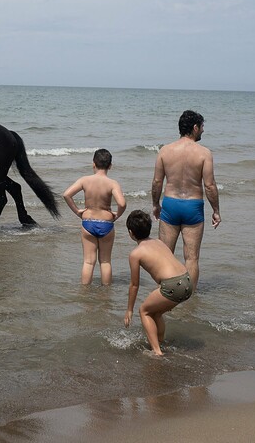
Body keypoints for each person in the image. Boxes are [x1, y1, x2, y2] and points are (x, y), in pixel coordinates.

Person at [151, 110, 221, 291]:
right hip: (193, 206)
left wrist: (155, 204)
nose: (203, 131)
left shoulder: (165, 151)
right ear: (195, 127)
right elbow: (210, 185)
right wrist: (216, 211)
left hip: (170, 204)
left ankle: (164, 293)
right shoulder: (204, 153)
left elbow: (157, 181)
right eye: (202, 127)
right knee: (191, 258)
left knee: (165, 254)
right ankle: (189, 298)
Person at [124, 209, 193, 356]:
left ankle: (156, 352)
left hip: (172, 285)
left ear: (131, 233)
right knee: (156, 312)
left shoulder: (135, 253)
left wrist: (129, 309)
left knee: (144, 311)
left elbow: (134, 285)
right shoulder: (159, 242)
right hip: (187, 280)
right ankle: (160, 342)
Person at [63, 149, 127, 285]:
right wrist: (117, 215)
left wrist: (77, 211)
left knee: (88, 261)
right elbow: (122, 203)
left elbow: (66, 195)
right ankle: (106, 293)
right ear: (110, 165)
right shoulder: (112, 183)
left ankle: (85, 292)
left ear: (93, 164)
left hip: (88, 222)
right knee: (105, 261)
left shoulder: (85, 180)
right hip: (106, 224)